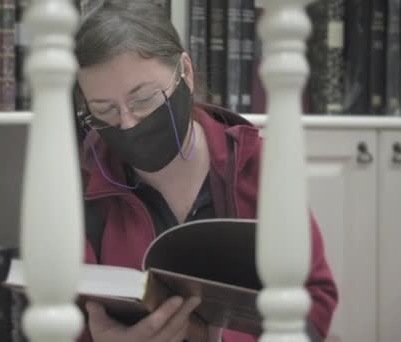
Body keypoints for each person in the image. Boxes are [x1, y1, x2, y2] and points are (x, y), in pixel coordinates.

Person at [73, 1, 338, 341]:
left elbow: (315, 300)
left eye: (143, 99)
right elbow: (64, 314)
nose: (126, 123)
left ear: (185, 70)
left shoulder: (257, 165)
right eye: (104, 110)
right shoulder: (81, 184)